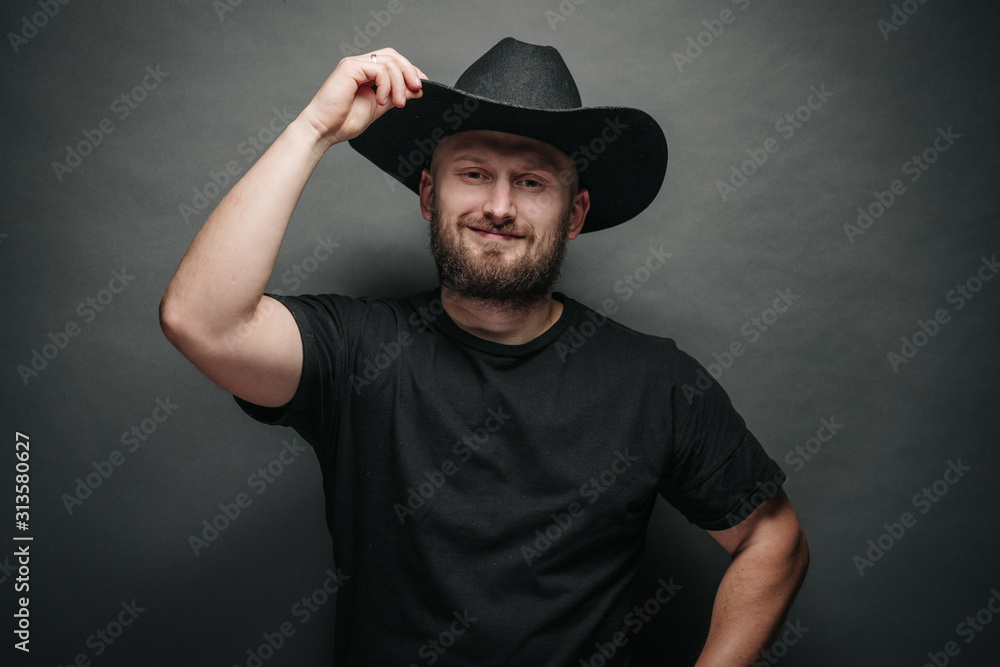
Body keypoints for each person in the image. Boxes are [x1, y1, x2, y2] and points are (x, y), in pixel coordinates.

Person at [160, 37, 808, 666]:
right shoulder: (358, 351)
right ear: (427, 195)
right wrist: (312, 130)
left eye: (531, 182)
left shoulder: (655, 381)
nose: (498, 207)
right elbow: (203, 322)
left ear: (575, 214)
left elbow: (772, 537)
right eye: (473, 174)